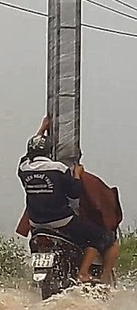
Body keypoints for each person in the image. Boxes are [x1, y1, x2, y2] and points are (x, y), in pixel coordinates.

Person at [18, 117, 119, 284]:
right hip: (61, 221)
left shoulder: (23, 168)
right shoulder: (58, 168)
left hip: (36, 223)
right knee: (99, 238)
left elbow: (27, 155)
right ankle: (85, 274)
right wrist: (77, 174)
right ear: (49, 152)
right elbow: (74, 193)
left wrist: (42, 129)